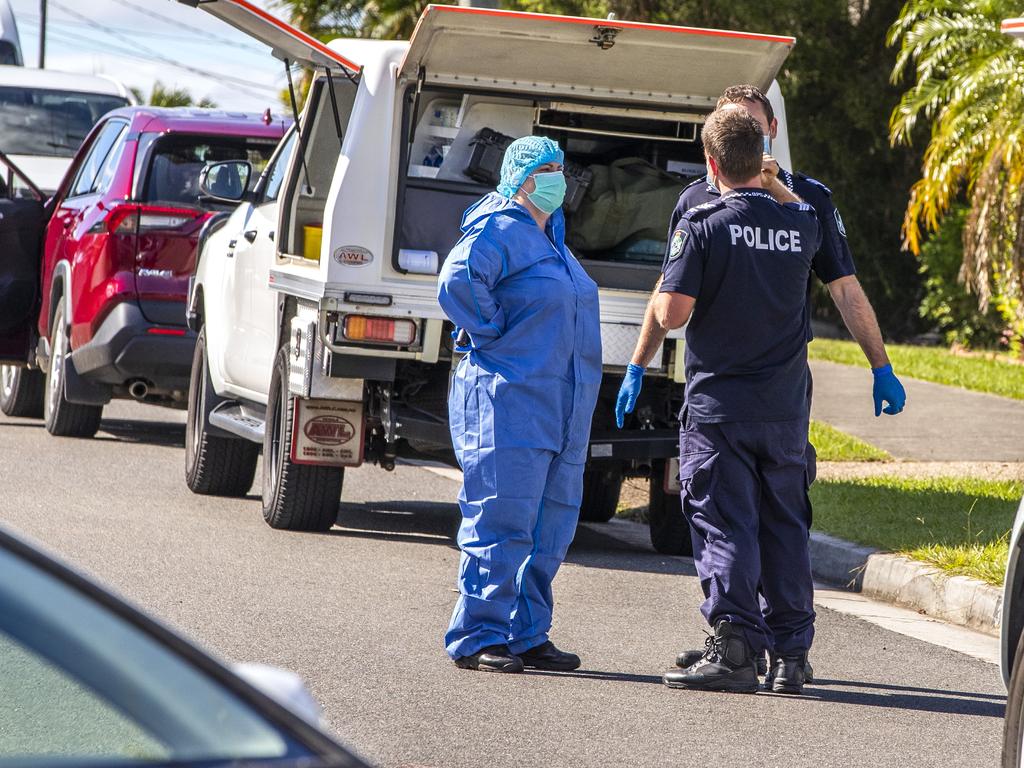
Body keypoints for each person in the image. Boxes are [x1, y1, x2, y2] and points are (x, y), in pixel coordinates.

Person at [661, 85, 907, 685]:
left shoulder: (801, 202)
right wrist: (641, 364)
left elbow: (844, 288)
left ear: (769, 130)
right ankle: (778, 650)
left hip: (738, 401)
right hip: (771, 402)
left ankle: (745, 646)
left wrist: (880, 363)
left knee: (734, 524)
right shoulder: (741, 207)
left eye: (749, 124)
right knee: (776, 525)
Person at [616, 108, 823, 694]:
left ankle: (733, 647)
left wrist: (659, 311)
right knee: (784, 525)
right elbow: (790, 206)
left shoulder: (702, 223)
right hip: (784, 409)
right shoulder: (801, 222)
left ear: (710, 163)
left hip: (721, 408)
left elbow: (674, 312)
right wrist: (770, 178)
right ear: (760, 158)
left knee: (726, 523)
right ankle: (791, 655)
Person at [437, 136, 602, 674]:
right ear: (521, 176)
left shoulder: (551, 237)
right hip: (507, 402)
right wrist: (491, 331)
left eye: (562, 166)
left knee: (550, 527)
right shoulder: (500, 227)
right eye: (547, 168)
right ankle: (479, 634)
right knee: (501, 518)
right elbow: (458, 281)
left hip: (560, 409)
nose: (558, 177)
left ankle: (527, 632)